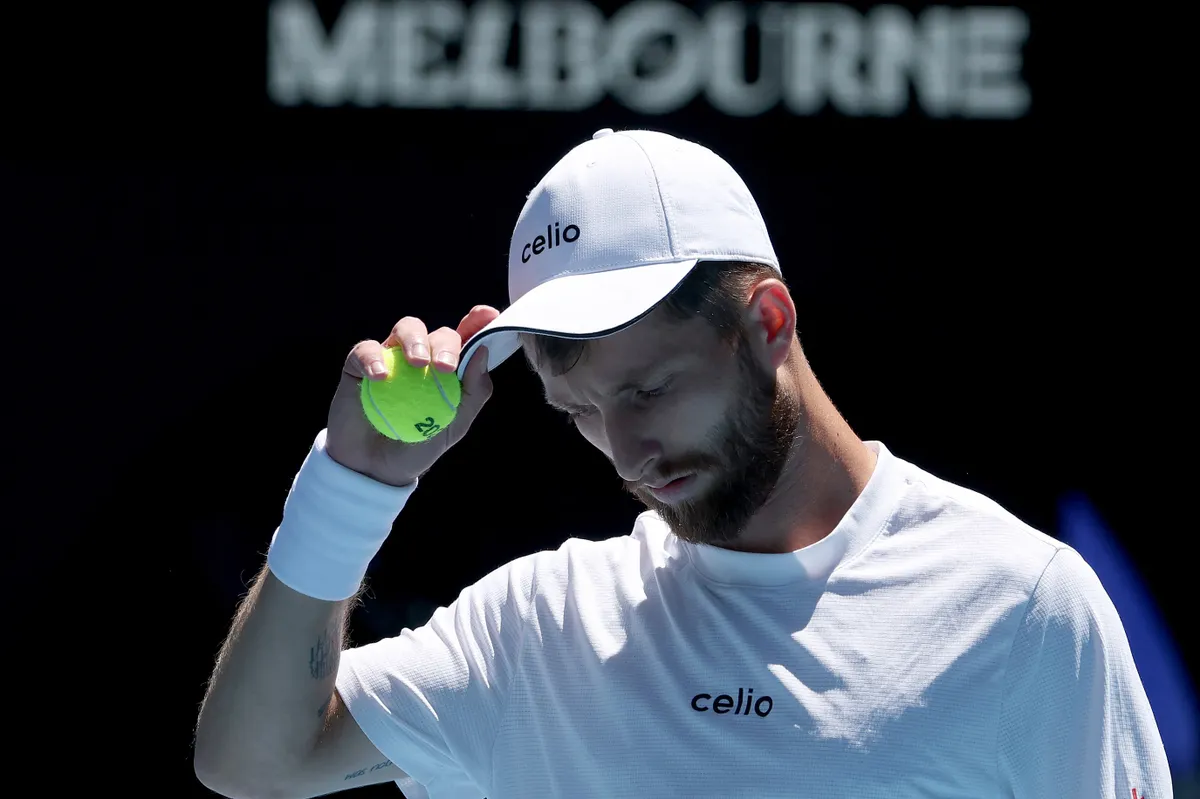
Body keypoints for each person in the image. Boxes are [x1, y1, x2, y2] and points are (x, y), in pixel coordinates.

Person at [193, 128, 1171, 799]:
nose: (623, 449)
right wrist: (353, 485)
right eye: (579, 410)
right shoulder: (540, 626)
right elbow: (254, 760)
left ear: (768, 320)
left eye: (648, 390)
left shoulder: (1023, 607)